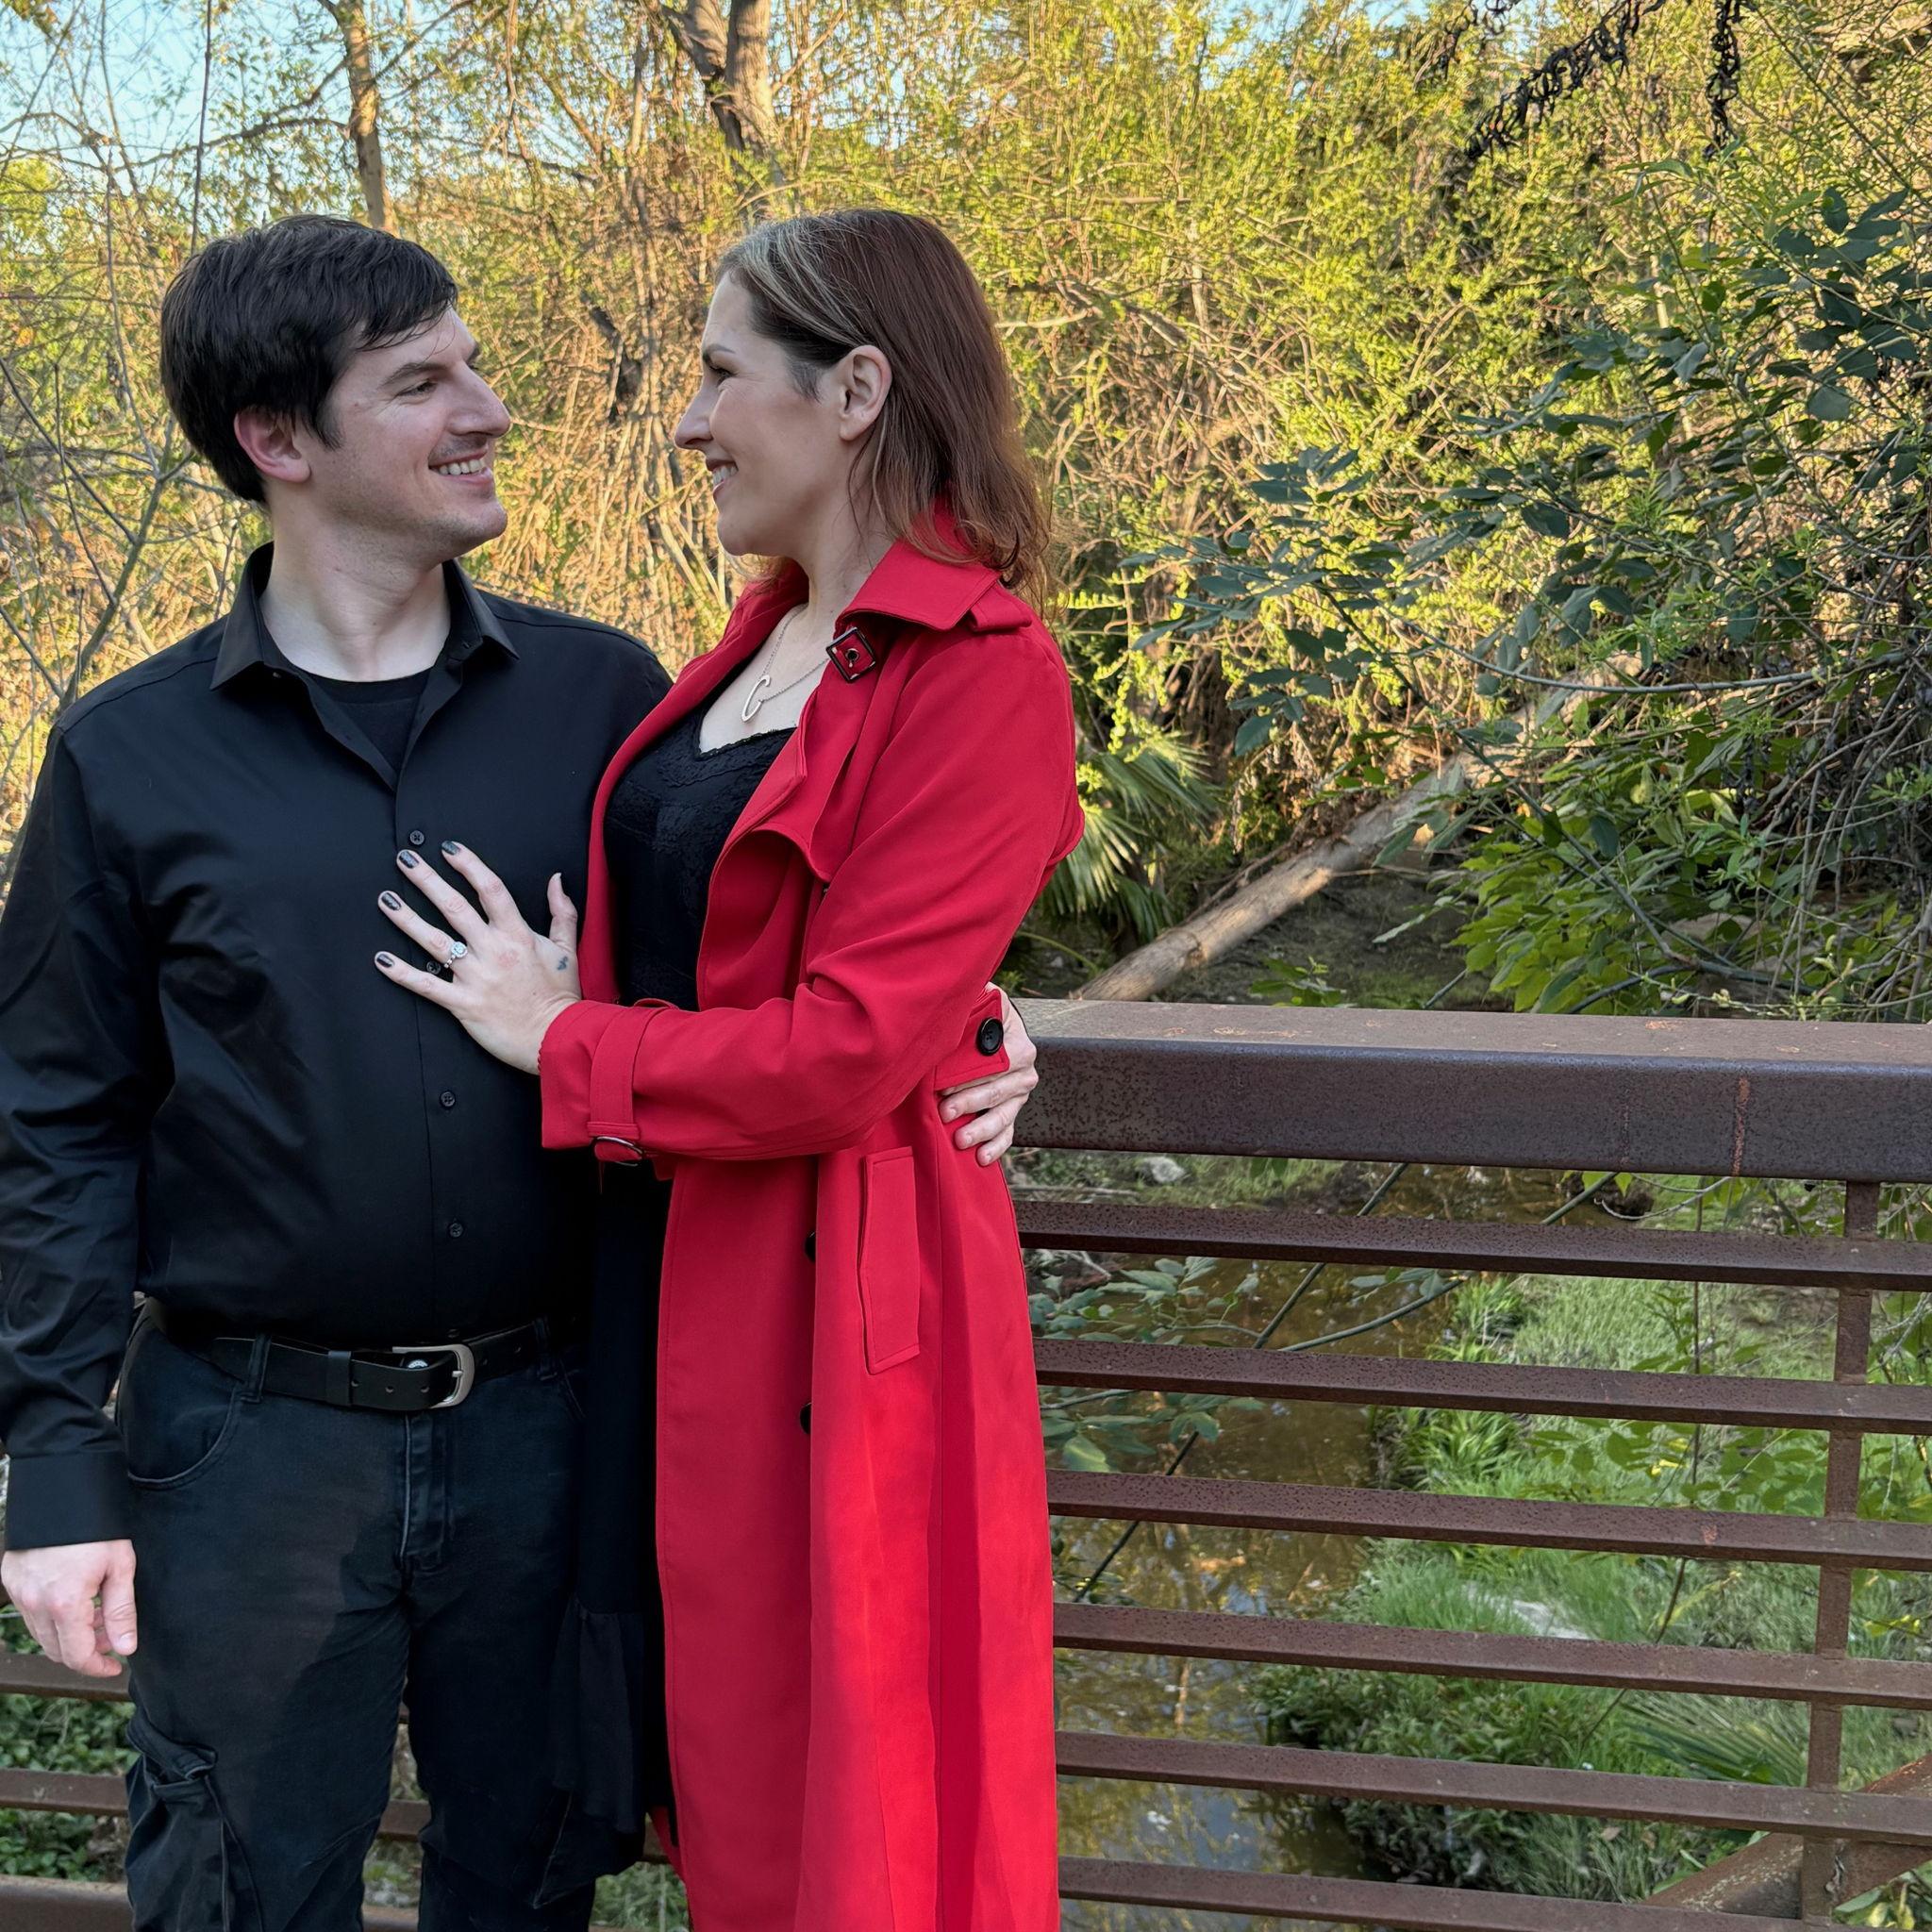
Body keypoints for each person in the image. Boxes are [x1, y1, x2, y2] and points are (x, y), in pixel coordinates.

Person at [0, 213, 1041, 1932]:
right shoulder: (128, 754)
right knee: (238, 1890)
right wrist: (52, 1463)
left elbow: (783, 923)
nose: (489, 409)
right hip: (250, 1451)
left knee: (532, 1884)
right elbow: (54, 1121)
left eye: (473, 365)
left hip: (559, 1431)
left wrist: (980, 1016)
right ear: (277, 440)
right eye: (424, 382)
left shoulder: (606, 702)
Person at [372, 208, 1083, 1932]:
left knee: (826, 1796)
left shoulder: (984, 671)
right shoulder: (760, 643)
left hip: (828, 1303)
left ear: (856, 391)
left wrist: (563, 1038)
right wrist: (975, 1007)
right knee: (678, 1744)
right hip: (655, 1270)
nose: (686, 423)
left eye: (715, 373)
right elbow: (790, 943)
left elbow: (843, 1052)